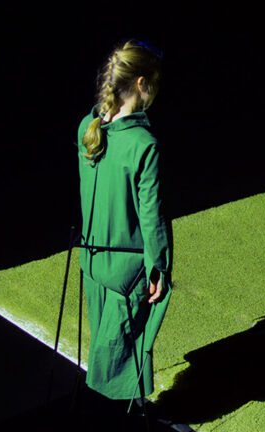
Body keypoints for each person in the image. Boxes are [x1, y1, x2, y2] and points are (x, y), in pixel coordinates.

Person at [76, 40, 171, 406]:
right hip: (126, 270)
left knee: (104, 338)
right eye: (156, 83)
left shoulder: (89, 125)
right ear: (141, 82)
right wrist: (157, 269)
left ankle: (101, 414)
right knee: (125, 352)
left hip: (93, 261)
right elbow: (152, 218)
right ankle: (115, 421)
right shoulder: (144, 144)